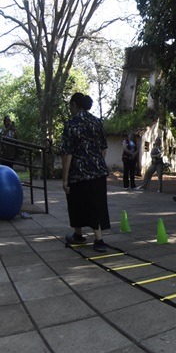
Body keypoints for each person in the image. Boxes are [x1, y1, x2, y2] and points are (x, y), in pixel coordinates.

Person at [61, 93, 110, 253]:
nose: (70, 110)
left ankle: (78, 235)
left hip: (78, 172)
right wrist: (97, 165)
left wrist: (65, 178)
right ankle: (99, 240)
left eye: (70, 106)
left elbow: (67, 153)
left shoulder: (71, 124)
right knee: (96, 204)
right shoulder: (97, 122)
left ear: (74, 105)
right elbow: (103, 149)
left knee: (76, 203)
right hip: (98, 171)